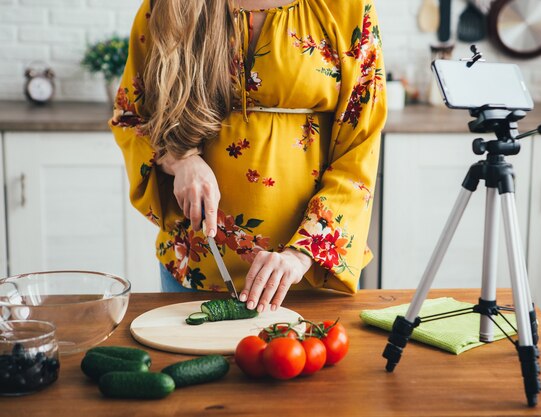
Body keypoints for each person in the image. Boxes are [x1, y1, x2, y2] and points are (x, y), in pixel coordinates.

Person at [110, 0, 387, 313]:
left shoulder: (346, 7)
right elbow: (131, 114)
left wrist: (302, 255)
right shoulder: (169, 6)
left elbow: (360, 144)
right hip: (196, 262)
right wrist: (179, 158)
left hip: (306, 273)